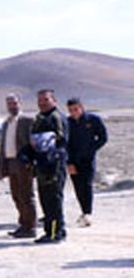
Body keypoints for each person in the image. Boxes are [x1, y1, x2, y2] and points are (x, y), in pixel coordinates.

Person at [28, 88, 69, 243]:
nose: (42, 103)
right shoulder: (39, 118)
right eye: (40, 100)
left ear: (54, 100)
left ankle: (56, 233)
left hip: (54, 164)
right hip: (41, 164)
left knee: (53, 199)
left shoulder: (57, 117)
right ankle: (50, 231)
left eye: (46, 100)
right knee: (45, 198)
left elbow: (61, 140)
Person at [0, 94, 37, 238]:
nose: (12, 106)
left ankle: (31, 226)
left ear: (20, 103)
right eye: (9, 104)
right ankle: (23, 224)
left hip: (23, 163)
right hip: (10, 162)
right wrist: (1, 166)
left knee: (27, 195)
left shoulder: (27, 121)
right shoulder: (6, 123)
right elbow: (3, 146)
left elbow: (33, 144)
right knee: (16, 195)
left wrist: (31, 162)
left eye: (14, 103)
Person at [65, 98, 108, 227]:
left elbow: (103, 137)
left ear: (81, 107)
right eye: (71, 110)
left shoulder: (93, 120)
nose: (74, 112)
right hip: (73, 161)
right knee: (78, 187)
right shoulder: (68, 123)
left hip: (88, 160)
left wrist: (91, 149)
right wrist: (69, 162)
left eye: (76, 109)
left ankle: (88, 213)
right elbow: (65, 144)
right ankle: (83, 211)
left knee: (87, 185)